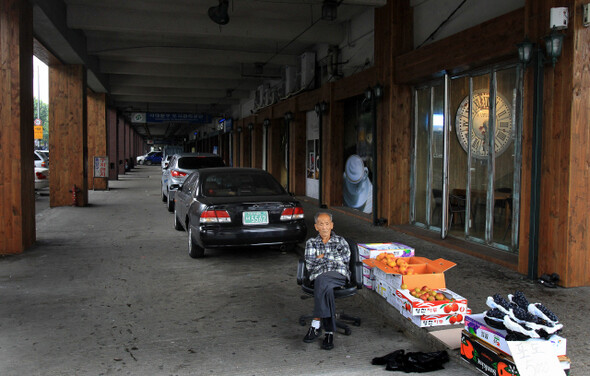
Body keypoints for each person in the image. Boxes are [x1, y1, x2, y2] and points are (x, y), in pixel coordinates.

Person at [303, 212, 351, 350]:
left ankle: (315, 324)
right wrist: (332, 256)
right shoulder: (311, 243)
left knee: (322, 280)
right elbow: (310, 263)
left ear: (332, 225)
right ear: (316, 227)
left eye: (327, 224)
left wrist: (322, 256)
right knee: (326, 287)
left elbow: (345, 259)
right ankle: (329, 333)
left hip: (338, 274)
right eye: (321, 224)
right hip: (319, 276)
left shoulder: (341, 241)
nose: (324, 227)